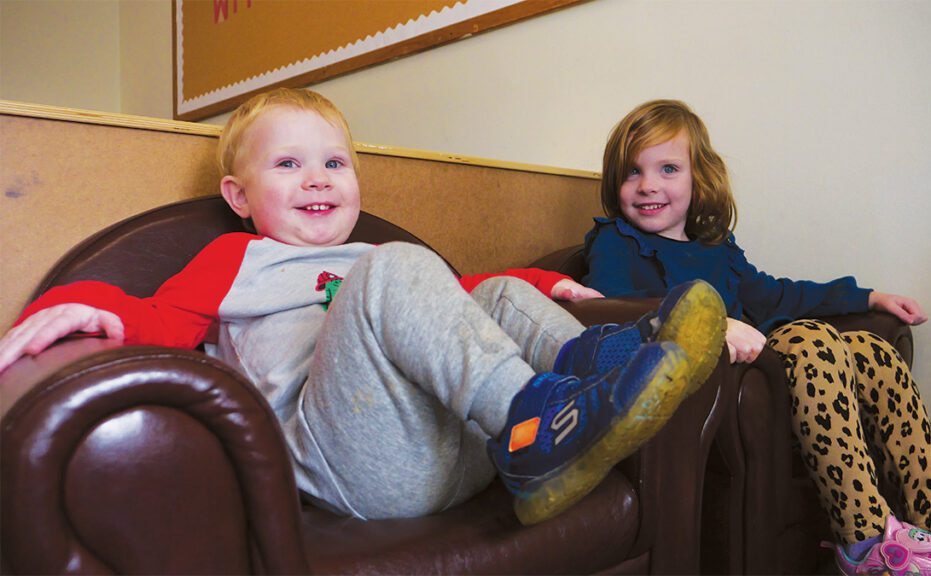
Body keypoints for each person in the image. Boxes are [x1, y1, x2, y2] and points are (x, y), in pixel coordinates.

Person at [0, 88, 729, 527]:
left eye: (335, 162)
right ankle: (536, 423)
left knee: (496, 289)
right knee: (399, 272)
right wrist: (76, 304)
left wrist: (552, 287)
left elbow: (465, 299)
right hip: (349, 466)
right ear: (238, 196)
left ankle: (609, 369)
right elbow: (152, 320)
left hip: (458, 449)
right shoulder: (235, 259)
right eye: (287, 164)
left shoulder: (370, 257)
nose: (317, 177)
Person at [582, 99, 931, 574]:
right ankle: (866, 540)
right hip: (719, 395)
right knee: (810, 338)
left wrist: (869, 297)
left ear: (698, 178)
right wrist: (706, 324)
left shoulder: (716, 248)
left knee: (871, 350)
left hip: (786, 393)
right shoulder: (616, 241)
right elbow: (611, 313)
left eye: (667, 168)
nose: (648, 185)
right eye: (632, 172)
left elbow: (779, 295)